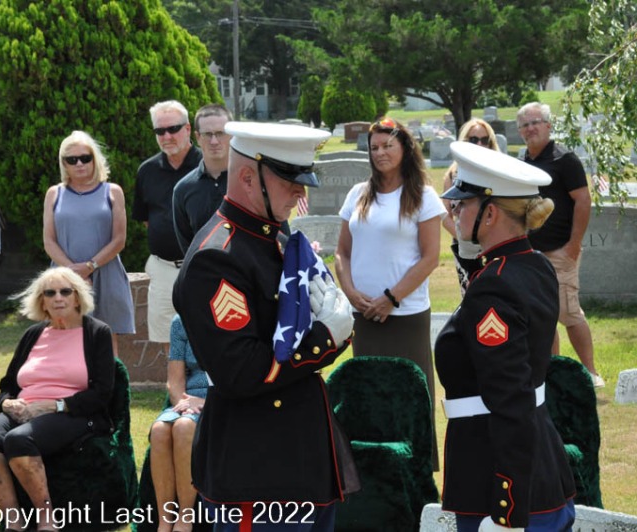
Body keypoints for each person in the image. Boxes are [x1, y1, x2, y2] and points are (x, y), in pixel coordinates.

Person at [173, 121, 356, 531]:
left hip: (300, 457)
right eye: (290, 182)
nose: (301, 194)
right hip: (257, 466)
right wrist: (324, 339)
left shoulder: (272, 238)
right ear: (247, 178)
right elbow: (241, 371)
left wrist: (334, 323)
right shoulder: (216, 258)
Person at [435, 141, 576, 531]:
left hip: (499, 480)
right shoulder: (533, 265)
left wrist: (506, 510)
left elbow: (510, 398)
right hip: (538, 465)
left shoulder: (494, 286)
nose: (454, 211)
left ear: (491, 213)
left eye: (462, 204)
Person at [335, 116, 446, 468]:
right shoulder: (358, 194)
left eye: (388, 146)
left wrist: (392, 298)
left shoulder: (423, 196)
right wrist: (351, 293)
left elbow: (430, 257)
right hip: (365, 317)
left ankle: (416, 471)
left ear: (405, 148)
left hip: (405, 316)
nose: (380, 153)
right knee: (369, 396)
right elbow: (342, 252)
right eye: (374, 148)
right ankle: (372, 470)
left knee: (408, 396)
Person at [0, 267, 115, 531]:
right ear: (42, 301)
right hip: (24, 410)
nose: (58, 298)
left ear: (78, 297)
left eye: (65, 292)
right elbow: (8, 386)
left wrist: (56, 405)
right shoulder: (33, 334)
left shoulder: (97, 333)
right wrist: (6, 403)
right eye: (50, 293)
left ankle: (46, 519)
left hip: (72, 412)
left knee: (19, 439)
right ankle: (13, 519)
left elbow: (103, 392)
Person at [517, 102, 603, 387]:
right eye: (525, 125)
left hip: (560, 250)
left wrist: (574, 245)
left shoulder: (565, 159)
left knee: (568, 313)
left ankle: (591, 374)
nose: (531, 128)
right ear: (520, 131)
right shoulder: (522, 162)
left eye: (536, 122)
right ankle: (550, 374)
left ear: (548, 125)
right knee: (542, 318)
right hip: (530, 253)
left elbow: (583, 200)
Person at [43, 131, 135, 356]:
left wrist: (90, 266)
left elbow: (119, 239)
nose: (79, 164)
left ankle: (109, 380)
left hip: (106, 273)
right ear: (64, 163)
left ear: (95, 159)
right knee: (65, 337)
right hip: (64, 278)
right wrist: (73, 273)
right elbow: (49, 241)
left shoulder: (112, 192)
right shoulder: (54, 194)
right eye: (72, 159)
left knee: (106, 340)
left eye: (85, 158)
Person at [132, 100, 202, 357]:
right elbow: (147, 219)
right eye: (160, 131)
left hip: (203, 267)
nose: (167, 136)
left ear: (188, 129)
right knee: (168, 337)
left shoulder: (208, 165)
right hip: (163, 268)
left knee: (206, 333)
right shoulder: (147, 171)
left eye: (173, 129)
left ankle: (206, 383)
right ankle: (177, 382)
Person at [149, 314, 208, 532]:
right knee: (159, 430)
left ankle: (185, 518)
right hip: (187, 399)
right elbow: (174, 380)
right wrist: (184, 404)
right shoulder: (180, 321)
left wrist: (204, 403)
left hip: (221, 400)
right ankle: (164, 521)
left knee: (184, 427)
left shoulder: (231, 314)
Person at [442, 118, 502, 296]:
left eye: (485, 140)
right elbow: (445, 215)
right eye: (474, 139)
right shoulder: (452, 175)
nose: (480, 144)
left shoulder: (499, 172)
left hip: (495, 246)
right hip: (465, 248)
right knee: (471, 298)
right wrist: (464, 237)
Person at [173, 104, 233, 254]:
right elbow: (188, 248)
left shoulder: (252, 182)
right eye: (207, 134)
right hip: (204, 269)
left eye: (220, 133)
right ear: (198, 137)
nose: (214, 141)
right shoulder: (183, 190)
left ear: (231, 135)